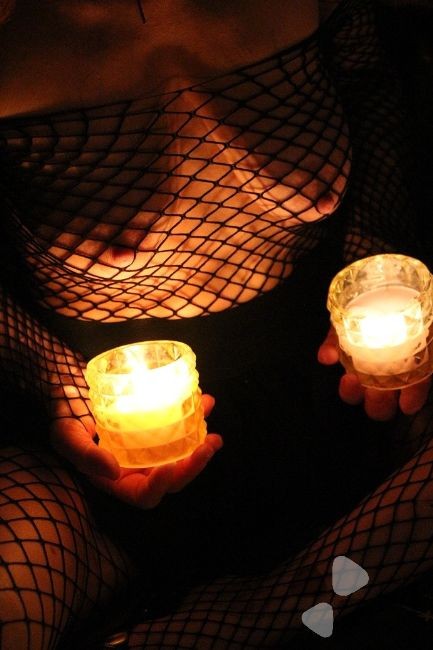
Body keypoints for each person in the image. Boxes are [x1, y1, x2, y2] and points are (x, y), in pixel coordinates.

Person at [0, 1, 432, 648]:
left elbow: (370, 86)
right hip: (97, 461)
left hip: (339, 393)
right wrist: (45, 371)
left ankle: (260, 613)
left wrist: (374, 251)